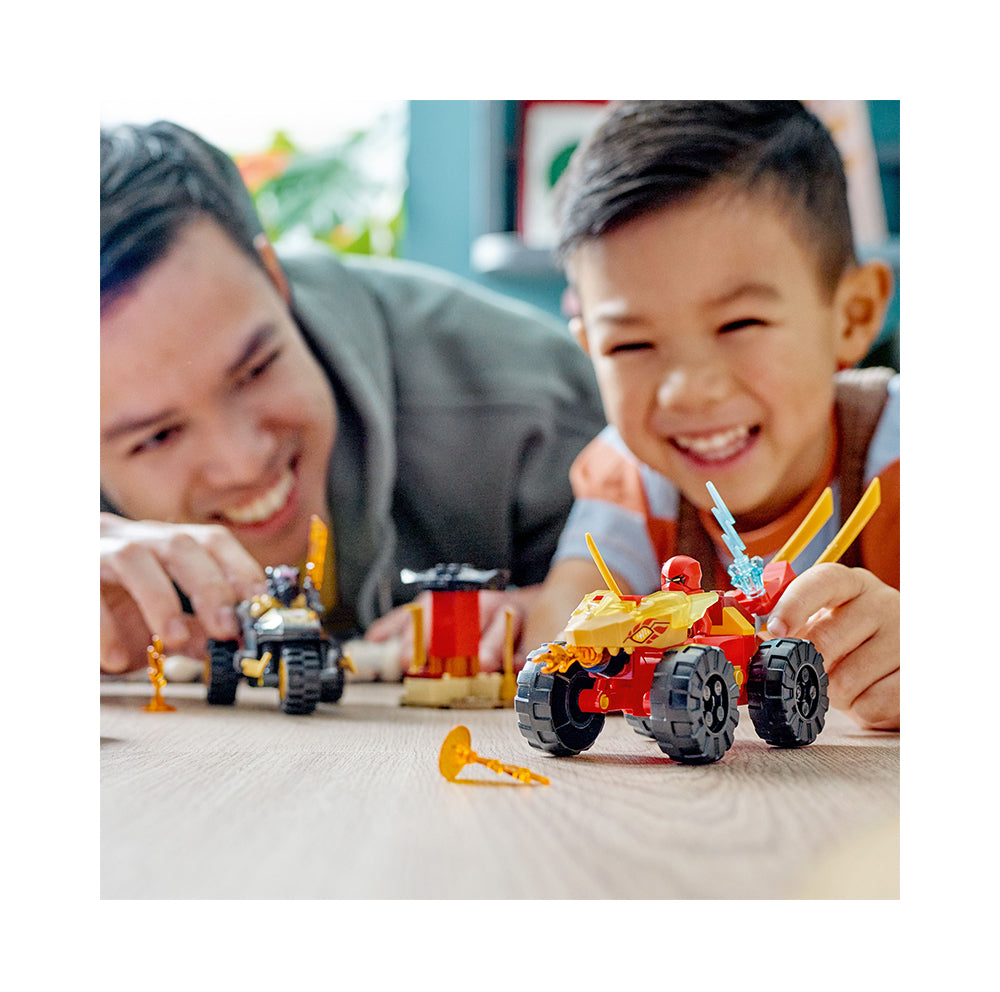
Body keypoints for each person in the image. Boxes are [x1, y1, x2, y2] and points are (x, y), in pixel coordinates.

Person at [100, 120, 605, 676]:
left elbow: (667, 583)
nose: (243, 463)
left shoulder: (539, 401)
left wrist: (553, 612)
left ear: (275, 279)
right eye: (157, 437)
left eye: (255, 370)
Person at [522, 101, 899, 730]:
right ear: (591, 348)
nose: (688, 393)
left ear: (852, 315)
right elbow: (566, 623)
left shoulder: (907, 455)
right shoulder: (629, 474)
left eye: (739, 324)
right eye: (631, 345)